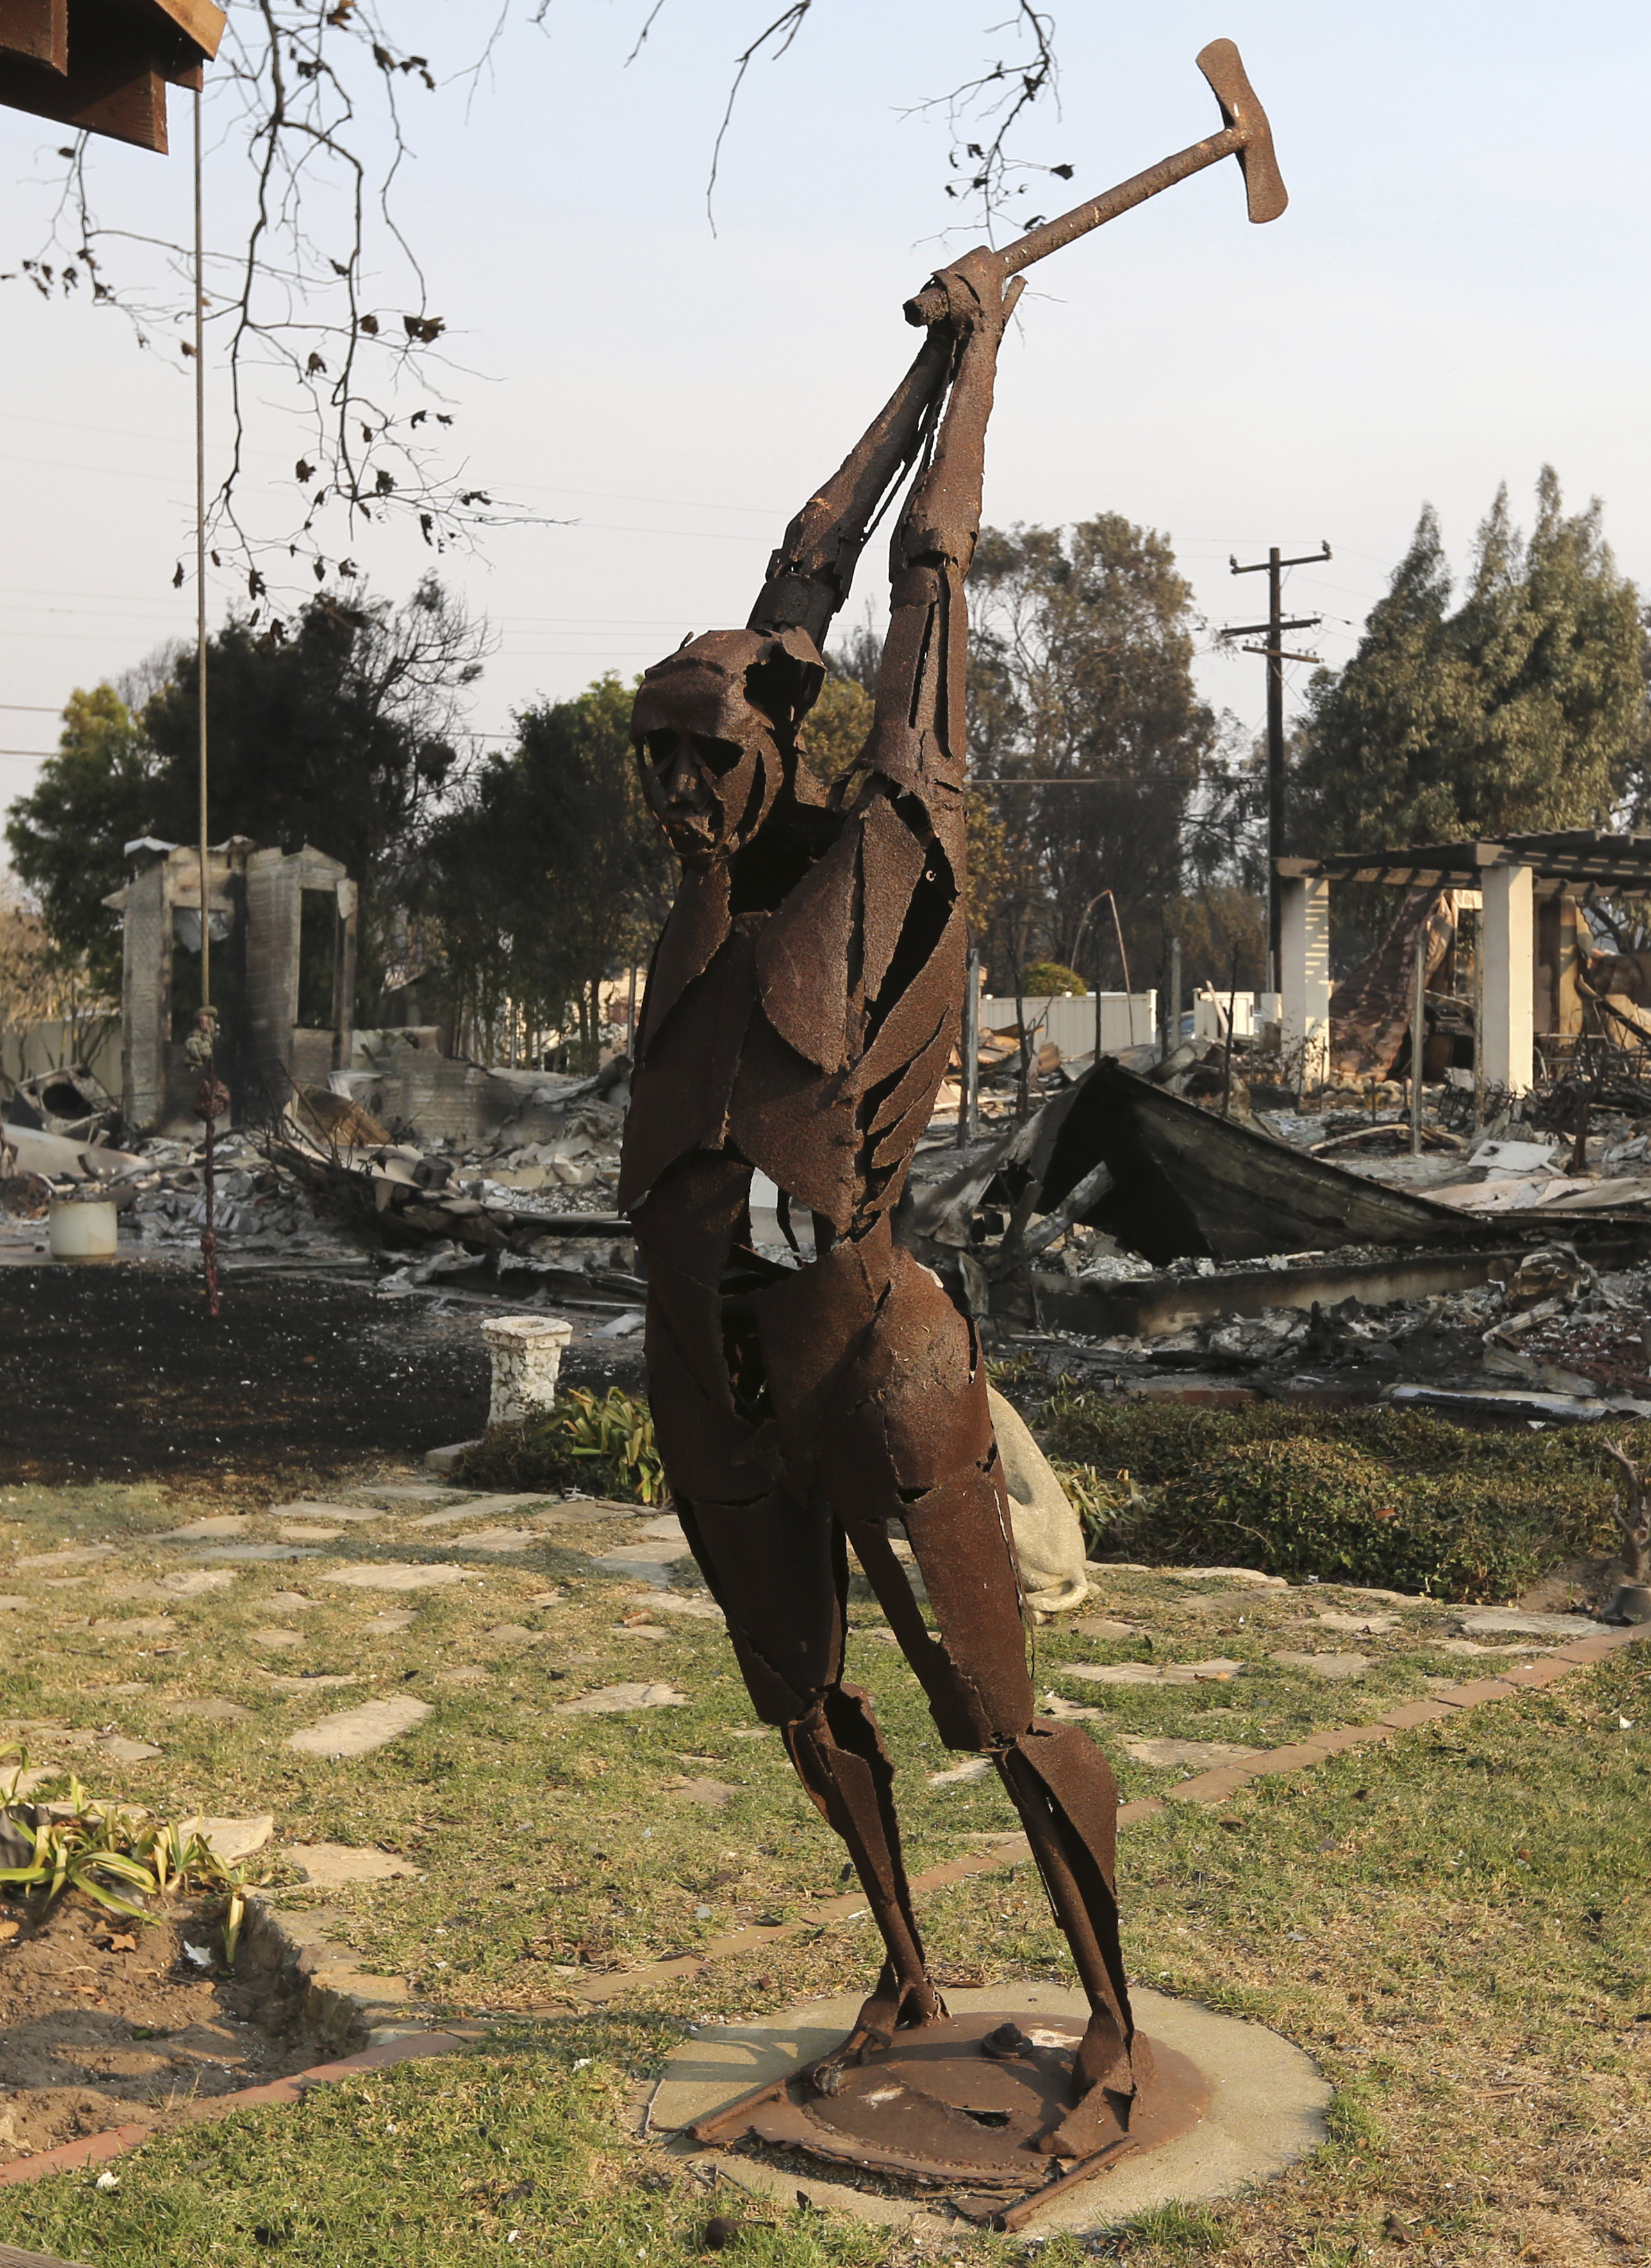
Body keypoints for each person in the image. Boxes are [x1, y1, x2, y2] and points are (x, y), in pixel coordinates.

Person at [619, 246, 1148, 2176]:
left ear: (783, 765)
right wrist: (890, 385)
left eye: (710, 758)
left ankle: (1101, 2006)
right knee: (802, 1702)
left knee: (987, 1710)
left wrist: (980, 359)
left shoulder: (877, 854)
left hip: (871, 1353)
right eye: (661, 760)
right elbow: (796, 574)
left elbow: (913, 593)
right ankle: (907, 1971)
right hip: (709, 1365)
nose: (680, 790)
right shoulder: (706, 901)